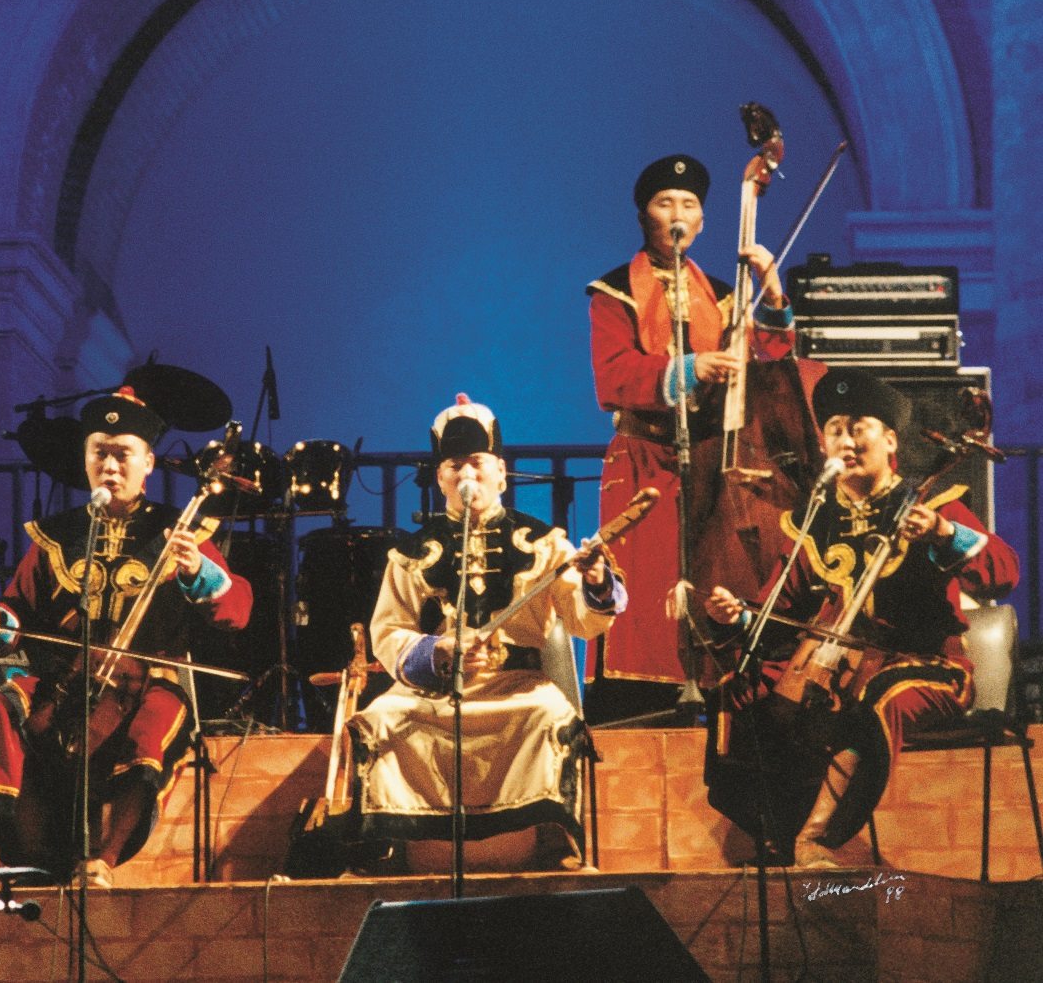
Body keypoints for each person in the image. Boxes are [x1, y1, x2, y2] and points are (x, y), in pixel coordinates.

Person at [703, 368, 1018, 866]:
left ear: (890, 440)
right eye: (835, 430)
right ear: (823, 445)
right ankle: (769, 830)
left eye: (859, 428)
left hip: (928, 668)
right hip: (838, 668)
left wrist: (942, 533)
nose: (847, 442)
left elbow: (1003, 574)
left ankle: (819, 838)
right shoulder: (815, 518)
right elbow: (777, 608)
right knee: (740, 689)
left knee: (875, 697)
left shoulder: (931, 505)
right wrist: (738, 616)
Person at [0, 388, 252, 888]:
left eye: (122, 455)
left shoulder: (183, 530)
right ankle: (25, 855)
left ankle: (104, 859)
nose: (110, 467)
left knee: (153, 727)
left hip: (151, 677)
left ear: (148, 463)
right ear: (86, 459)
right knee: (2, 707)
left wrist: (198, 571)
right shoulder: (54, 536)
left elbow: (236, 612)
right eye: (100, 454)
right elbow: (18, 609)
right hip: (65, 677)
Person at [347, 395, 624, 868]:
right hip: (435, 694)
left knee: (549, 716)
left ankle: (555, 842)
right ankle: (384, 849)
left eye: (477, 463)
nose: (466, 475)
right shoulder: (411, 553)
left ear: (501, 473)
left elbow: (584, 620)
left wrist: (597, 582)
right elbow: (388, 632)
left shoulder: (545, 544)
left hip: (517, 687)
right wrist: (437, 652)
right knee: (381, 718)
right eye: (454, 466)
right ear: (440, 479)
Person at [584, 153, 794, 720]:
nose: (677, 214)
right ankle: (636, 710)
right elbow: (613, 376)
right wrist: (692, 367)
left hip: (711, 461)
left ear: (701, 221)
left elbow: (771, 365)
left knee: (717, 580)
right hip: (645, 460)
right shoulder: (613, 293)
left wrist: (772, 290)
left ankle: (721, 698)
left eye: (689, 204)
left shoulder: (725, 296)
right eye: (664, 203)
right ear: (644, 216)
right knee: (642, 593)